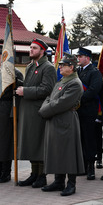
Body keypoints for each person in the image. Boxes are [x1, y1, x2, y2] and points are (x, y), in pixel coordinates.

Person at [39, 53, 84, 196]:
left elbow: (60, 103)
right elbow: (49, 98)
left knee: (69, 153)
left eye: (63, 65)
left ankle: (71, 184)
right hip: (55, 121)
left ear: (71, 67)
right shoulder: (62, 81)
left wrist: (44, 111)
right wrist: (45, 108)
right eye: (60, 65)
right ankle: (59, 181)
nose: (59, 68)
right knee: (57, 152)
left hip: (66, 122)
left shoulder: (75, 84)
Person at [16, 38, 56, 188]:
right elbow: (30, 85)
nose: (30, 50)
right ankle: (34, 174)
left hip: (39, 111)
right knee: (31, 143)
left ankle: (42, 175)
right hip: (28, 111)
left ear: (42, 51)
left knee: (39, 144)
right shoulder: (31, 66)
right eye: (30, 47)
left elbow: (47, 89)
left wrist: (25, 91)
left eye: (34, 48)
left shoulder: (48, 67)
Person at [76, 47, 103, 180]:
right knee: (80, 139)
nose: (78, 59)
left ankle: (91, 167)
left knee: (89, 140)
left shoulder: (94, 72)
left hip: (89, 111)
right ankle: (84, 166)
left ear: (87, 58)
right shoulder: (77, 71)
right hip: (78, 111)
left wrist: (78, 99)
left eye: (80, 56)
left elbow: (93, 90)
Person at [0, 66, 23, 183]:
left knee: (5, 142)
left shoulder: (14, 72)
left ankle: (5, 172)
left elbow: (18, 91)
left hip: (6, 109)